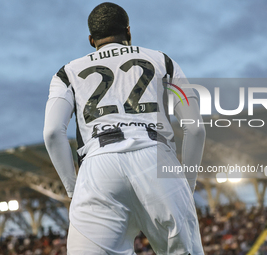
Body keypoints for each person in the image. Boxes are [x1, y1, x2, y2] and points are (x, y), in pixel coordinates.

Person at [43, 2, 206, 254]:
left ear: (91, 39)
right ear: (128, 32)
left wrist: (74, 190)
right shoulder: (163, 60)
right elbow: (195, 129)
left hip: (98, 164)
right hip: (156, 157)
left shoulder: (67, 73)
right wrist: (187, 184)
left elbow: (53, 132)